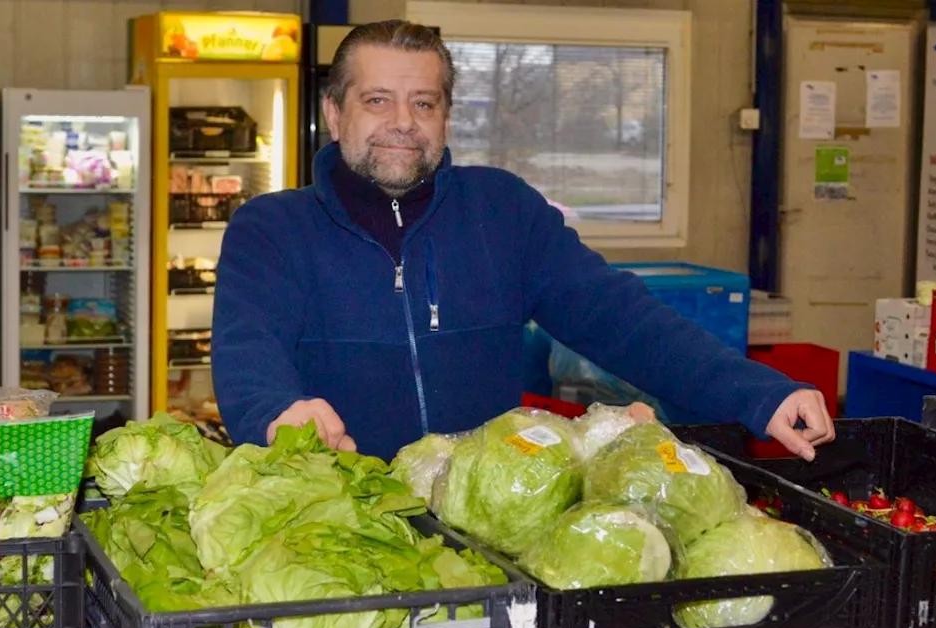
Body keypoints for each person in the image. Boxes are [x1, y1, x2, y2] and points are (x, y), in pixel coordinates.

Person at [211, 20, 834, 462]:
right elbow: (247, 355)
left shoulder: (504, 211)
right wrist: (276, 413)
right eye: (378, 100)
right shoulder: (272, 229)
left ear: (445, 117)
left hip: (483, 530)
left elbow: (623, 319)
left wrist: (758, 392)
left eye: (424, 103)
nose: (403, 122)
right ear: (335, 113)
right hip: (341, 521)